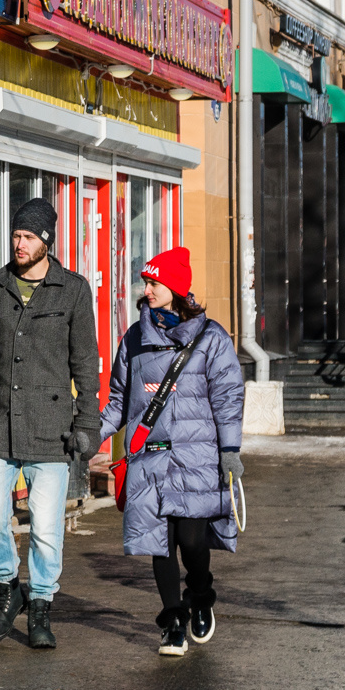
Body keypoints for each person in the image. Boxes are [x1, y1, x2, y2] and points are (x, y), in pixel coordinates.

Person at [0, 197, 101, 649]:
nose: (19, 244)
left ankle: (40, 606)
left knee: (44, 527)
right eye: (16, 235)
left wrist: (88, 421)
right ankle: (7, 591)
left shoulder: (73, 290)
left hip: (50, 427)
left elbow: (85, 361)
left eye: (29, 237)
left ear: (47, 242)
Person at [99, 247, 244, 657]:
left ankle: (200, 595)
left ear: (175, 287)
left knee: (192, 541)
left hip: (197, 458)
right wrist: (90, 434)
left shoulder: (211, 338)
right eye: (145, 283)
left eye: (153, 283)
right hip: (149, 458)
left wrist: (230, 450)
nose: (146, 291)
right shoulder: (135, 338)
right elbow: (118, 400)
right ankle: (173, 621)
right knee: (157, 542)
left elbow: (229, 397)